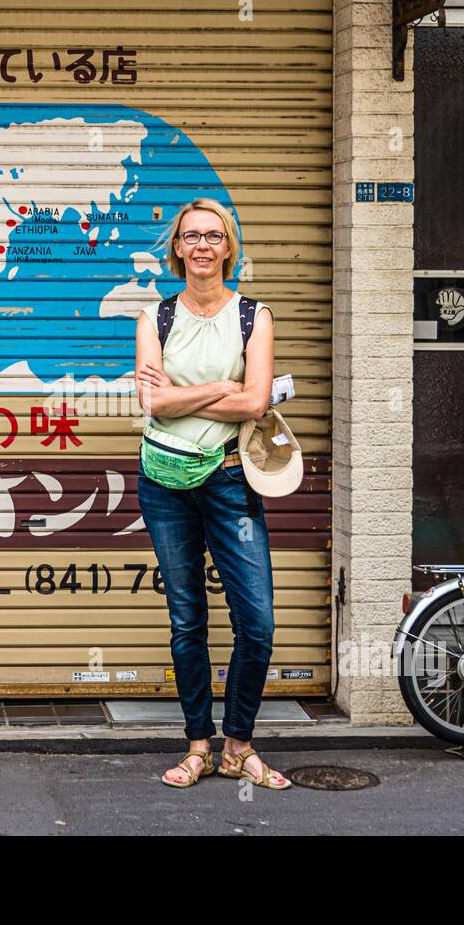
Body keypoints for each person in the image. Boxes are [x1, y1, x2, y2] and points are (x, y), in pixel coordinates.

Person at [134, 197, 290, 791]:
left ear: (229, 247)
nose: (202, 245)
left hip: (229, 481)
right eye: (191, 236)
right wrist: (223, 383)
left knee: (258, 623)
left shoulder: (254, 316)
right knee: (187, 619)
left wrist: (186, 391)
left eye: (213, 236)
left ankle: (239, 743)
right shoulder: (156, 318)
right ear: (177, 248)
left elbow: (256, 403)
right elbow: (151, 403)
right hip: (165, 484)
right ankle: (199, 744)